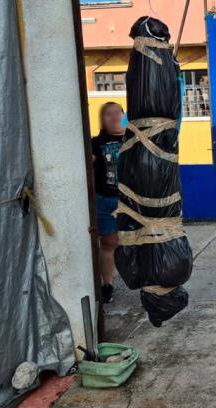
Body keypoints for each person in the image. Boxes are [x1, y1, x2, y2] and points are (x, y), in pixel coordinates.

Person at [91, 102, 126, 304]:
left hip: (132, 200)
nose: (113, 117)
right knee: (109, 243)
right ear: (101, 119)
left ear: (123, 115)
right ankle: (107, 284)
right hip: (106, 199)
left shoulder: (134, 139)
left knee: (137, 242)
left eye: (116, 113)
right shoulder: (97, 142)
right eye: (107, 114)